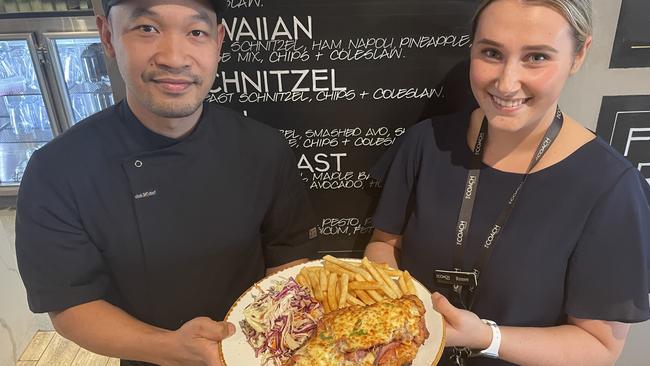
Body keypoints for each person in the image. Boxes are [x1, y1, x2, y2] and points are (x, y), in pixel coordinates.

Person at [15, 1, 316, 365]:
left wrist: (274, 334)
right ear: (107, 37)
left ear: (218, 42)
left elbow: (287, 251)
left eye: (196, 32)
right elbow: (71, 303)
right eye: (147, 28)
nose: (175, 58)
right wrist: (172, 348)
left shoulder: (265, 147)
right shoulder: (56, 169)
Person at [365, 0, 650, 365]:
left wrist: (487, 337)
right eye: (491, 53)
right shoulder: (425, 142)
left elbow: (598, 347)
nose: (506, 82)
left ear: (579, 55)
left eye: (536, 57)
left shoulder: (612, 188)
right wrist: (393, 317)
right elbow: (383, 245)